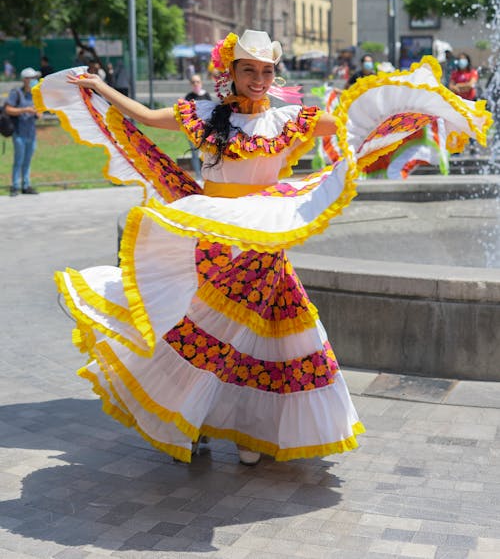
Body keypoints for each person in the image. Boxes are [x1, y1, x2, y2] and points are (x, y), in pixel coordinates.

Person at [33, 31, 491, 466]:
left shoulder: (288, 119)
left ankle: (245, 428)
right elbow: (148, 118)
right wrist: (100, 87)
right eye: (249, 69)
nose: (258, 79)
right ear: (231, 70)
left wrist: (422, 109)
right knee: (204, 330)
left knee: (267, 335)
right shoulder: (206, 113)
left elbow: (352, 125)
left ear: (276, 75)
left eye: (267, 71)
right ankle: (202, 420)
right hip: (212, 241)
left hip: (263, 240)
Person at [5, 67, 40, 196]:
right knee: (18, 160)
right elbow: (8, 109)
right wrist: (25, 110)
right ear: (25, 79)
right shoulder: (16, 93)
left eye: (35, 78)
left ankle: (26, 186)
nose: (34, 80)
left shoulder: (35, 94)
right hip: (19, 132)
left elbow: (40, 114)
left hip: (31, 133)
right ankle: (15, 186)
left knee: (27, 160)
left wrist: (38, 111)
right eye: (32, 78)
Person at [184, 74, 211, 182]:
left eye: (198, 82)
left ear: (201, 83)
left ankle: (207, 176)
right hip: (192, 130)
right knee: (194, 153)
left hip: (204, 129)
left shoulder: (206, 95)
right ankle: (198, 176)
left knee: (207, 153)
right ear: (191, 84)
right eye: (194, 82)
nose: (196, 84)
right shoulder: (189, 97)